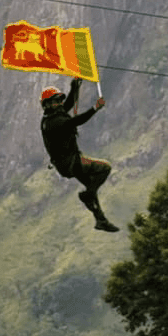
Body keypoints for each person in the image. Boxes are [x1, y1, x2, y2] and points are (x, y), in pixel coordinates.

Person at [40, 78, 118, 232]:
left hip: (65, 164)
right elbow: (77, 121)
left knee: (90, 184)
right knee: (104, 168)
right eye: (55, 101)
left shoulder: (51, 117)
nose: (59, 104)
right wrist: (95, 108)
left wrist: (74, 87)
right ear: (47, 105)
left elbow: (68, 104)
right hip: (72, 162)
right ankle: (89, 195)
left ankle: (100, 219)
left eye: (58, 101)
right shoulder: (54, 122)